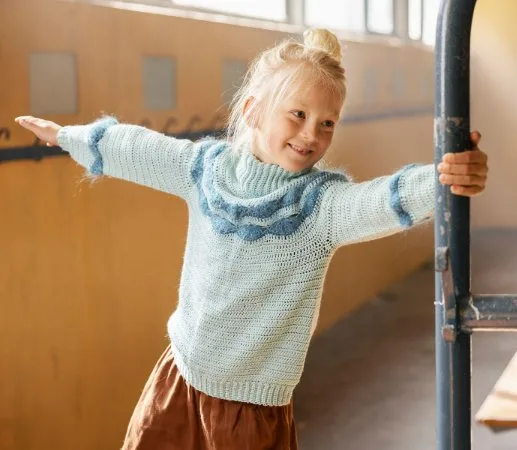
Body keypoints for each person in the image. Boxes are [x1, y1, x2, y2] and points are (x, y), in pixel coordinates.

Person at [15, 28, 488, 450]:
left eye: (327, 123)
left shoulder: (319, 207)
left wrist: (444, 178)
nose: (311, 134)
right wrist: (66, 136)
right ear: (253, 110)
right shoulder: (204, 170)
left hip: (250, 412)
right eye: (298, 114)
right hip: (177, 380)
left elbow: (381, 199)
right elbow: (139, 147)